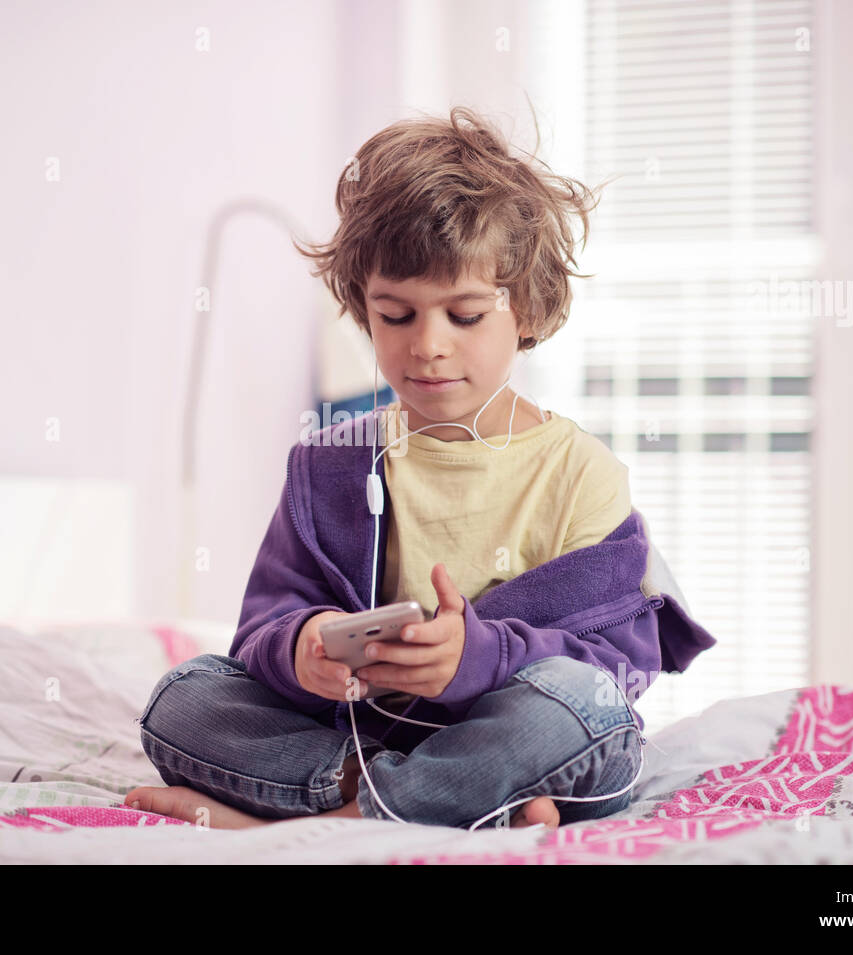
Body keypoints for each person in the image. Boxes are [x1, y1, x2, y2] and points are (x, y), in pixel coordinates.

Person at [125, 106, 716, 830]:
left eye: (464, 315)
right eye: (396, 316)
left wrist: (478, 654)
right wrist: (304, 647)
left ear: (525, 308)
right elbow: (261, 630)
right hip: (360, 739)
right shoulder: (329, 463)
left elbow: (616, 663)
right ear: (362, 309)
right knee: (184, 695)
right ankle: (430, 804)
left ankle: (323, 822)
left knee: (586, 712)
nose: (427, 346)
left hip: (511, 728)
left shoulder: (581, 474)